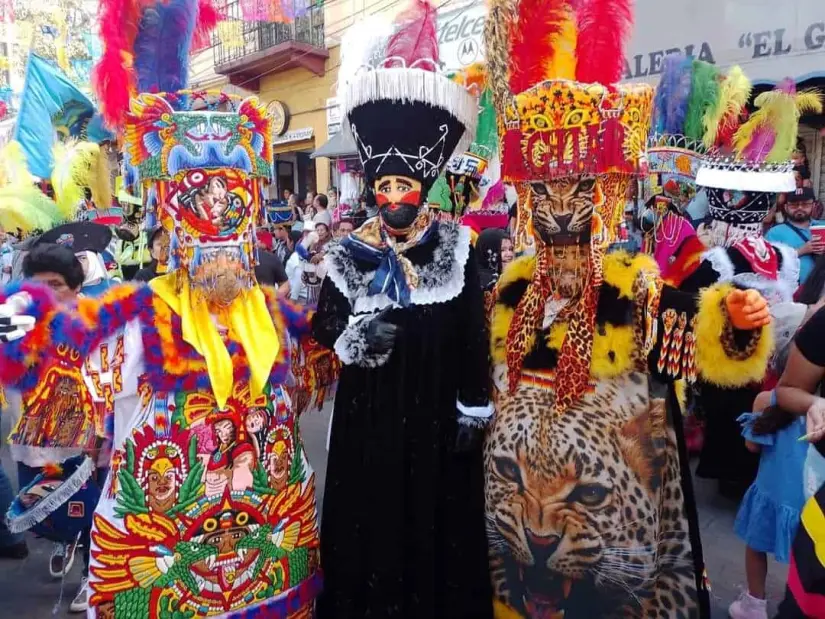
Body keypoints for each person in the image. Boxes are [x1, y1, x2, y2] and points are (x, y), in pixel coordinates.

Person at [482, 8, 774, 618]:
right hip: (520, 505)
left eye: (579, 190)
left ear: (607, 194)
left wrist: (736, 323)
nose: (560, 209)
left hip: (612, 518)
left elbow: (691, 327)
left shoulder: (631, 284)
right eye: (545, 192)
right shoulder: (511, 290)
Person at [0, 93, 322, 618]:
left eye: (233, 192)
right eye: (200, 195)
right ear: (168, 223)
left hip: (271, 556)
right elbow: (56, 371)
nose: (218, 204)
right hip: (161, 570)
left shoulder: (274, 317)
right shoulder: (131, 316)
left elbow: (314, 377)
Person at [311, 4, 492, 616]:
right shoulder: (347, 251)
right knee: (375, 522)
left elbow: (473, 333)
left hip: (439, 416)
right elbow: (323, 322)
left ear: (423, 188)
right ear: (371, 189)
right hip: (373, 418)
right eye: (383, 188)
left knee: (435, 523)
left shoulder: (457, 247)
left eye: (403, 188)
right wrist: (355, 337)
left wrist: (474, 406)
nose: (392, 198)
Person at [729, 390, 808, 619]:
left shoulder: (767, 400)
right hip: (812, 499)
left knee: (756, 545)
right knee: (809, 554)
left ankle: (753, 605)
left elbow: (752, 445)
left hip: (772, 491)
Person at [766, 188, 825, 285]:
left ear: (813, 206)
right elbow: (768, 262)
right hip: (792, 293)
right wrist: (801, 251)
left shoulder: (823, 227)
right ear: (786, 207)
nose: (800, 208)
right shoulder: (775, 232)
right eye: (794, 205)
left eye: (805, 204)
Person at [253, 229, 289, 295]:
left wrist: (273, 298)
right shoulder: (272, 258)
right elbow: (285, 285)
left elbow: (285, 285)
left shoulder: (272, 258)